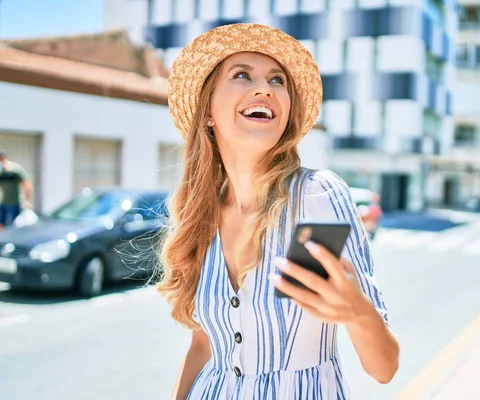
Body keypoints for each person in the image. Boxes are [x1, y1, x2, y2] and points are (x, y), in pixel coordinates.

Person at [157, 23, 400, 400]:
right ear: (208, 112)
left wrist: (358, 311)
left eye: (277, 80)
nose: (264, 88)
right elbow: (203, 347)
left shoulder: (314, 199)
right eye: (242, 75)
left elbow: (383, 369)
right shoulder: (201, 215)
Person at [0, 149, 34, 230]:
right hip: (2, 203)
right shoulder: (1, 171)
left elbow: (27, 184)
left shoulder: (15, 170)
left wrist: (27, 200)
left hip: (14, 203)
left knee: (13, 226)